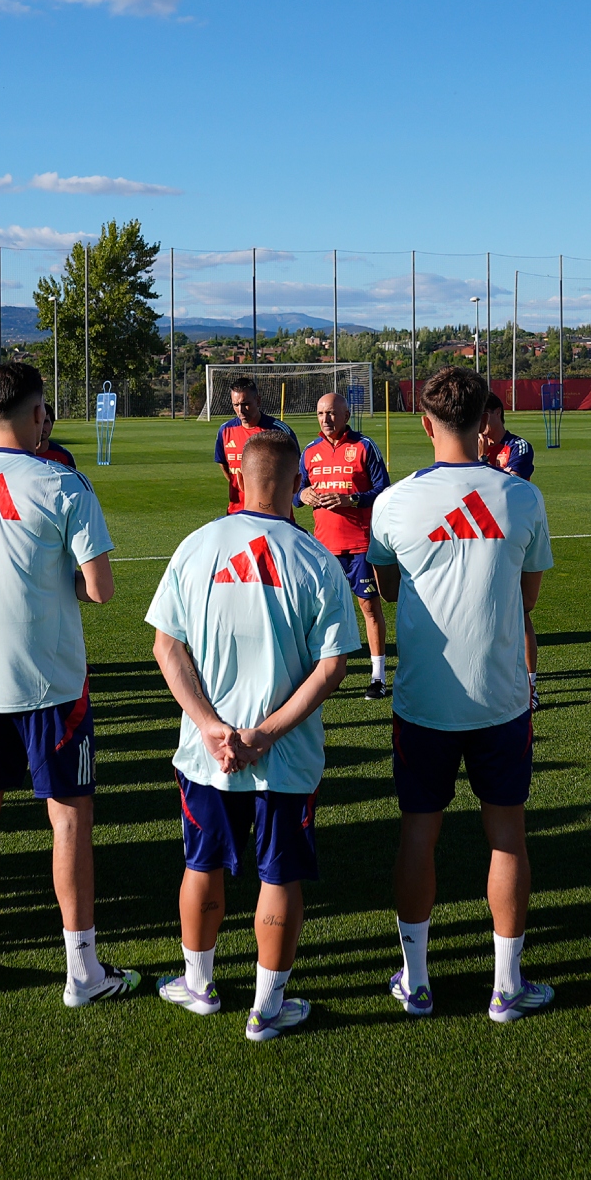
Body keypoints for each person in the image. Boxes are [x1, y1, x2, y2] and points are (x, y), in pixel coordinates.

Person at [0, 362, 138, 1005]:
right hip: (54, 687)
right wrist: (43, 584)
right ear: (37, 412)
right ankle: (82, 972)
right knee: (69, 820)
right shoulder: (65, 485)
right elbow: (100, 589)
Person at [149, 428, 356, 1041]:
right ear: (298, 484)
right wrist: (262, 736)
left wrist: (213, 729)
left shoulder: (196, 546)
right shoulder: (316, 557)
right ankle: (267, 1006)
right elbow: (333, 665)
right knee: (278, 873)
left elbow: (166, 646)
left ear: (238, 477)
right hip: (284, 757)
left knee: (203, 863)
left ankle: (199, 983)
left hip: (205, 755)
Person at [367, 367, 555, 1023]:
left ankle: (416, 982)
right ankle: (507, 987)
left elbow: (387, 590)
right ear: (487, 422)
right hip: (500, 699)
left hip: (423, 702)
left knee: (419, 835)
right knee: (507, 837)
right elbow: (527, 598)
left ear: (425, 424)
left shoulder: (393, 503)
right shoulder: (520, 498)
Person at [298, 391, 391, 700]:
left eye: (332, 413)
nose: (326, 419)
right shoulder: (310, 451)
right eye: (321, 413)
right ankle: (330, 673)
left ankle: (378, 676)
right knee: (326, 611)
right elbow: (295, 490)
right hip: (324, 547)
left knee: (369, 607)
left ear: (346, 416)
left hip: (361, 543)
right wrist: (303, 496)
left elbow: (384, 490)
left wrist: (352, 499)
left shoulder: (364, 447)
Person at [481, 391, 541, 706]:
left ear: (496, 414)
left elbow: (511, 486)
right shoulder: (472, 446)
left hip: (512, 536)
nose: (478, 423)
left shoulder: (517, 447)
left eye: (483, 415)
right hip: (480, 537)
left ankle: (530, 687)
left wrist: (478, 463)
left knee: (520, 610)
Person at [213, 376, 295, 516]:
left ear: (258, 400)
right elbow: (225, 466)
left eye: (246, 404)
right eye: (236, 405)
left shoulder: (279, 430)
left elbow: (293, 470)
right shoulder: (225, 431)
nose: (241, 410)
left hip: (273, 514)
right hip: (236, 513)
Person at [479, 393, 534, 480]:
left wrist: (482, 458)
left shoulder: (518, 446)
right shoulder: (470, 446)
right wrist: (502, 474)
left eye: (484, 414)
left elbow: (510, 483)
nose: (480, 420)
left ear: (498, 412)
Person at [36, 402, 78, 469]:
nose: (42, 426)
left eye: (45, 422)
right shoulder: (21, 455)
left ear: (52, 424)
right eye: (38, 421)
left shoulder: (64, 456)